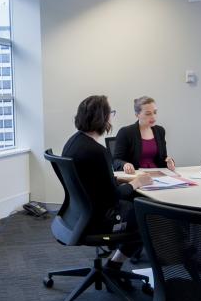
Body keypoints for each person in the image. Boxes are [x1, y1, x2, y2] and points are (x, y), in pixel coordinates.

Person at [62, 95, 153, 276]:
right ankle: (115, 263)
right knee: (147, 213)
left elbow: (95, 181)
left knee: (137, 203)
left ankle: (116, 259)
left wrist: (118, 180)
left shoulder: (73, 142)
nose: (111, 117)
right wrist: (136, 182)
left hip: (77, 214)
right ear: (102, 118)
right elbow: (114, 196)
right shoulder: (97, 151)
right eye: (110, 113)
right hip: (100, 219)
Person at [112, 96, 176, 173]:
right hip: (136, 177)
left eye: (155, 112)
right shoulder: (126, 132)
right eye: (148, 114)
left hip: (158, 175)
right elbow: (116, 161)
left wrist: (169, 161)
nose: (153, 117)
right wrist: (125, 164)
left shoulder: (160, 131)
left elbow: (163, 158)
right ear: (137, 115)